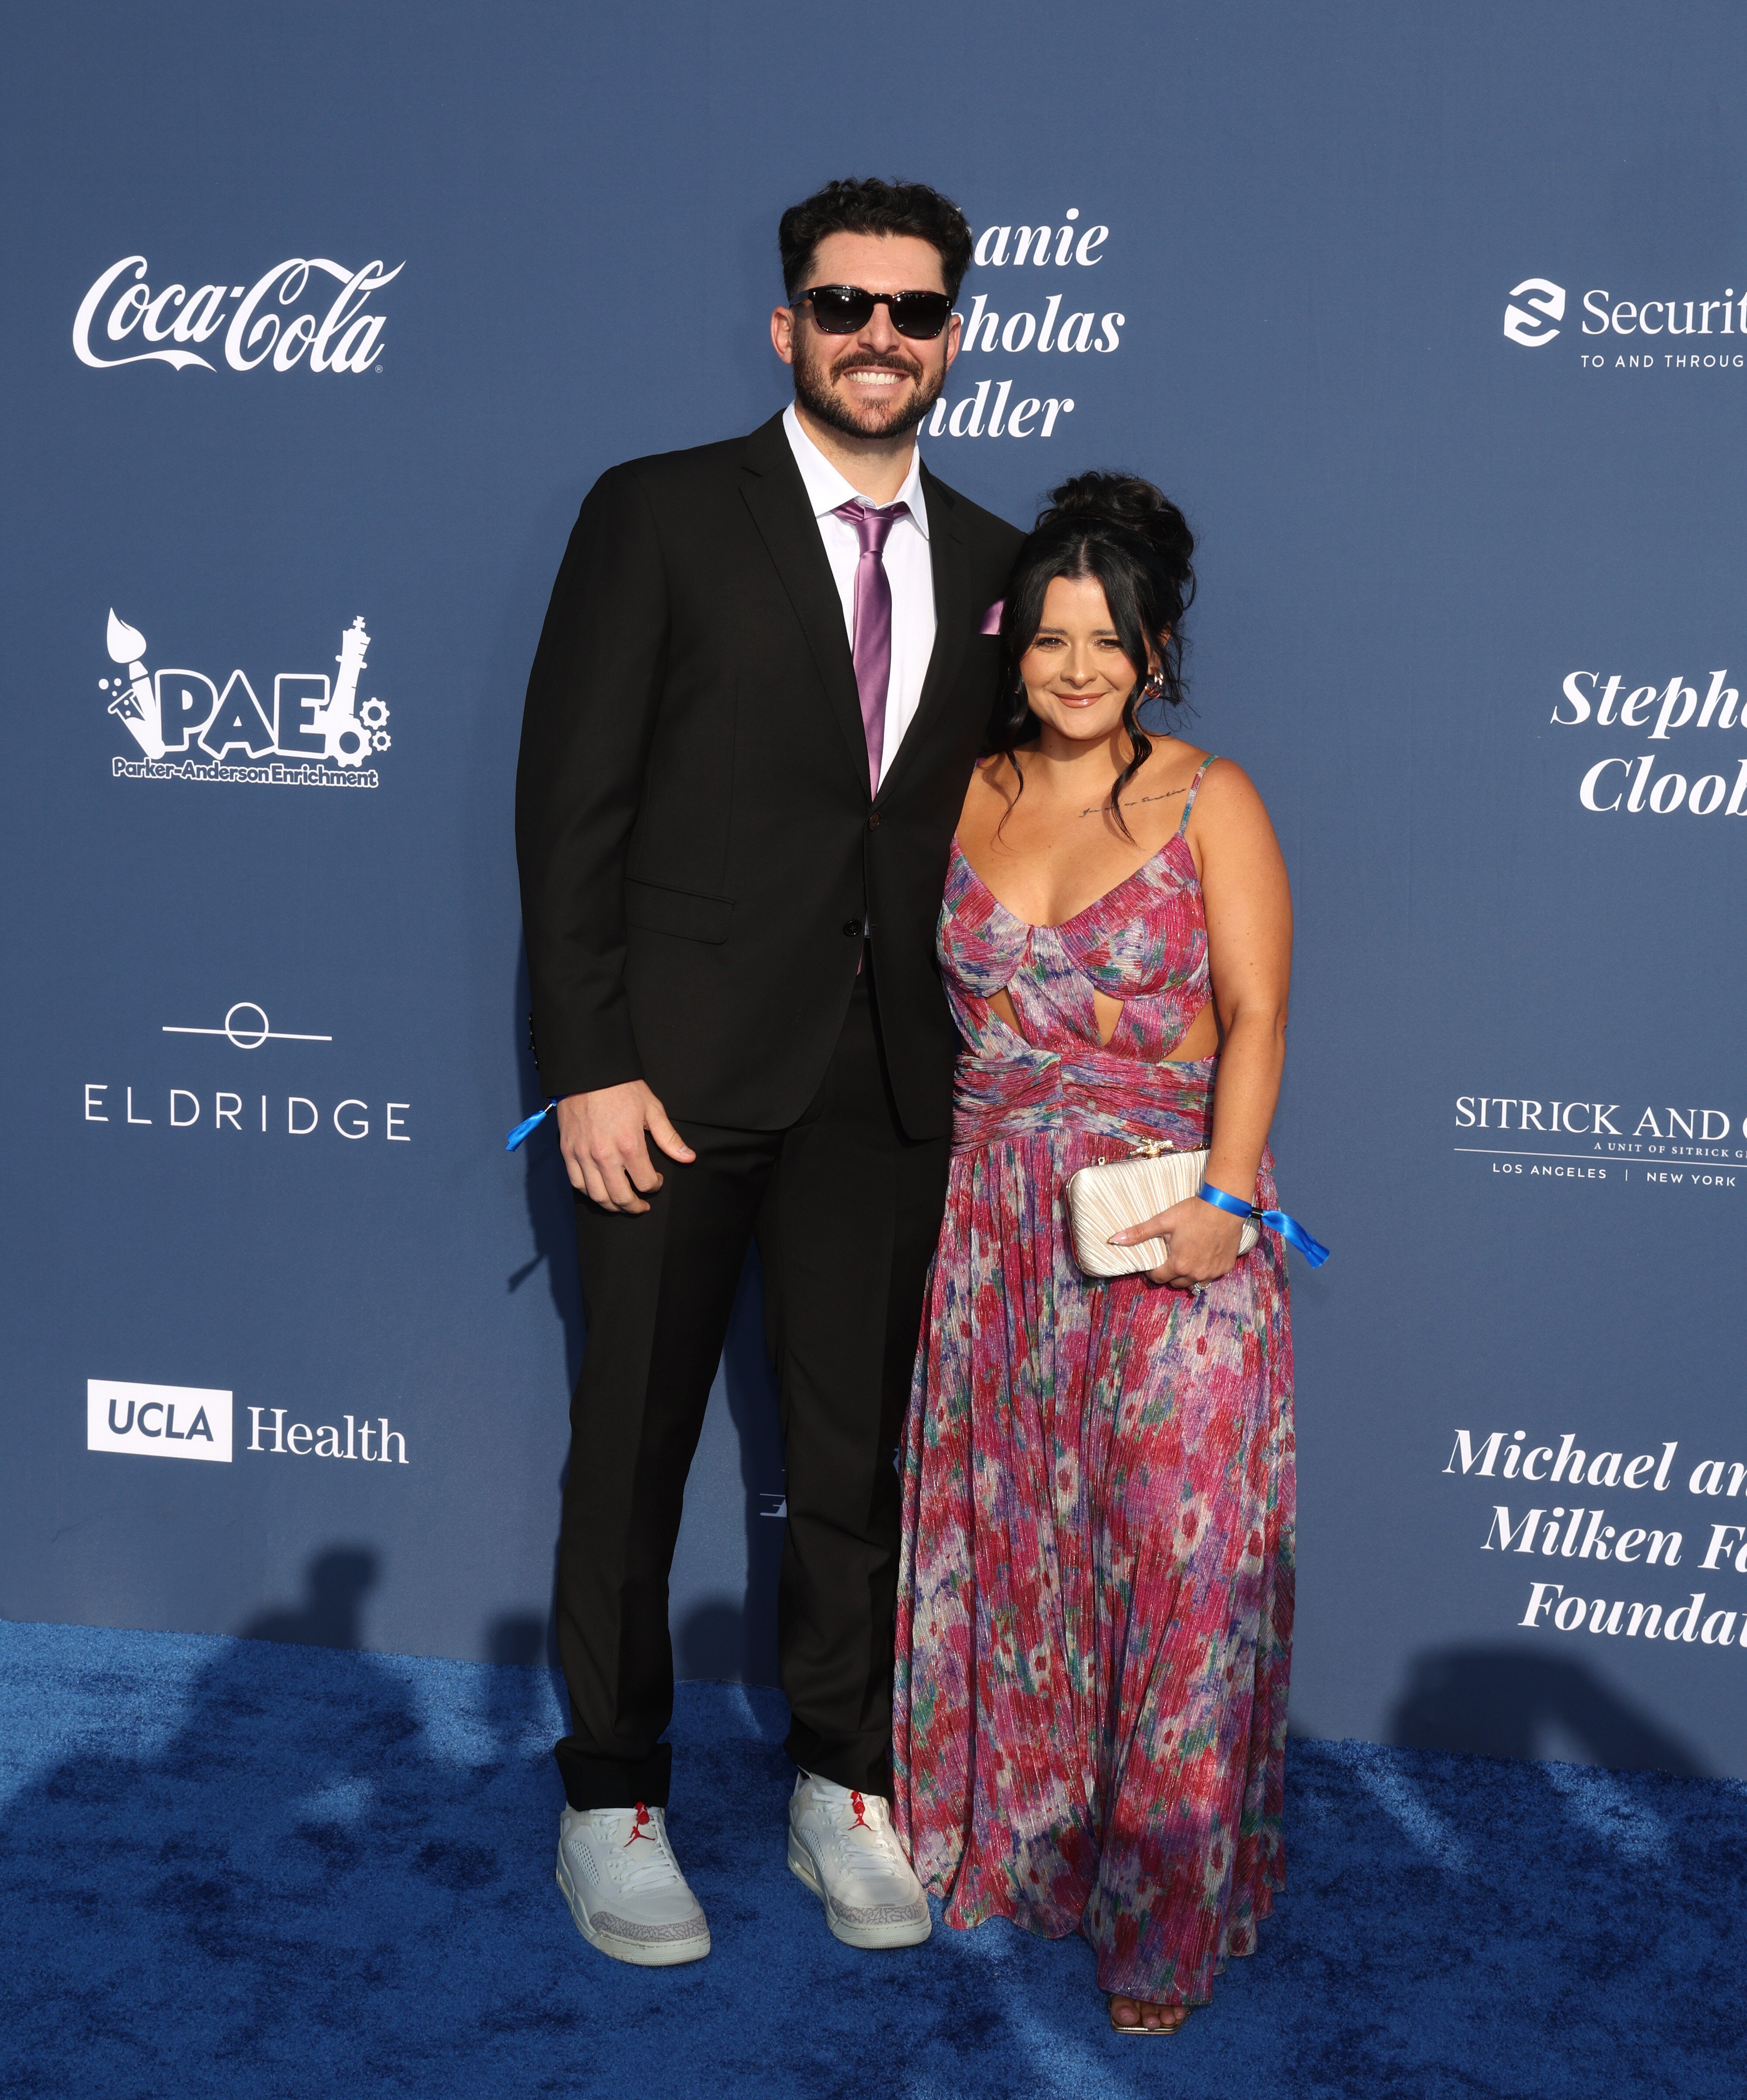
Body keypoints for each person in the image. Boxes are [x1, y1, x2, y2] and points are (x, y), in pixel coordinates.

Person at [514, 177, 1022, 1966]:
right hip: (670, 1083)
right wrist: (589, 1061)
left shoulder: (997, 556)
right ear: (786, 323)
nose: (879, 335)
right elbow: (571, 808)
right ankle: (611, 1795)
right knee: (631, 1450)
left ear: (952, 336)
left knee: (853, 1461)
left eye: (914, 309)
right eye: (845, 303)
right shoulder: (658, 512)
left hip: (887, 1086)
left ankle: (841, 1775)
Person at [892, 473, 1298, 2032]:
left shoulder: (1209, 797)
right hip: (997, 1230)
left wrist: (1228, 1202)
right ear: (1015, 643)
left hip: (1170, 1220)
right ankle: (1029, 1853)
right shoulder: (962, 791)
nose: (1076, 669)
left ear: (1155, 651)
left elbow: (1257, 1014)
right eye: (1052, 639)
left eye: (1108, 642)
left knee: (1176, 1574)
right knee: (1022, 1556)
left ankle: (1161, 1921)